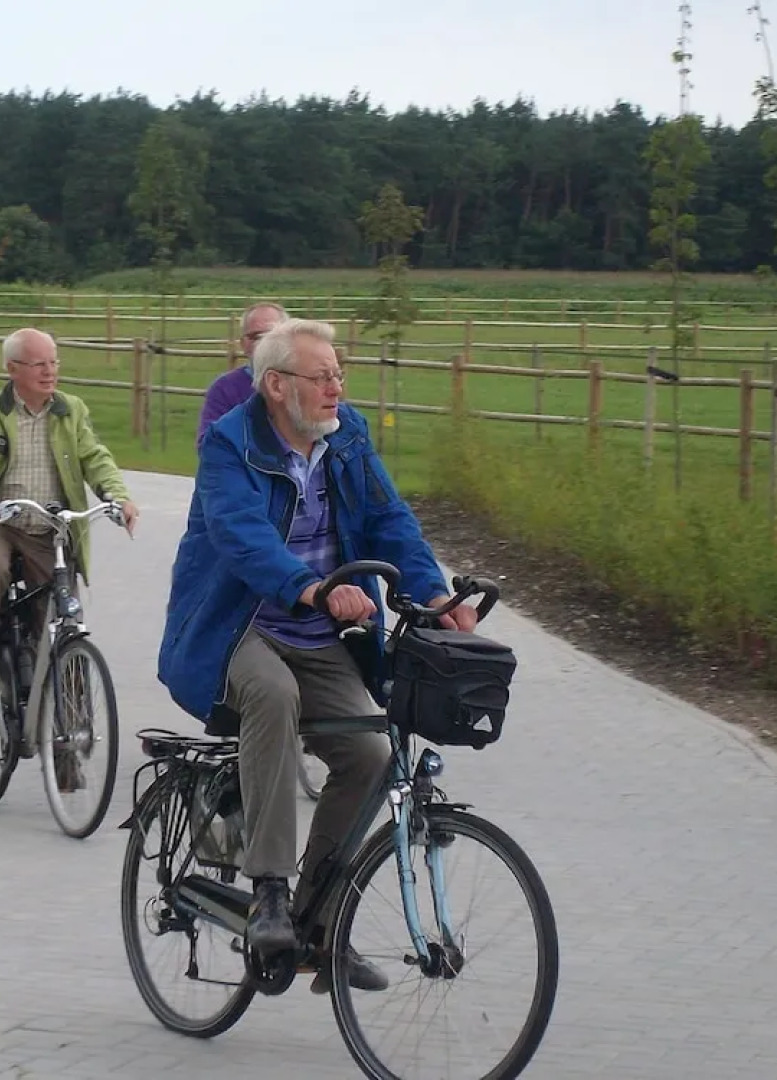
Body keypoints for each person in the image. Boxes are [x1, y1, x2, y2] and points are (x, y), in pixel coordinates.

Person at [158, 318, 478, 994]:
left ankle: (318, 926)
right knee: (273, 696)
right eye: (322, 375)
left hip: (319, 633)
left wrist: (435, 595)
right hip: (238, 628)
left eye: (338, 373)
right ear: (276, 386)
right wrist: (309, 588)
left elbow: (391, 520)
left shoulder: (346, 436)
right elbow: (242, 536)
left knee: (370, 756)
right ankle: (271, 891)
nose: (336, 386)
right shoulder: (230, 443)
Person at [0, 328, 139, 739]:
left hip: (51, 530)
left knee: (62, 623)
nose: (49, 371)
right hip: (1, 524)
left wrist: (117, 497)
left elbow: (95, 458)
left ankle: (73, 734)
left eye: (54, 362)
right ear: (12, 369)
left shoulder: (70, 410)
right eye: (39, 363)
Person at [195, 301, 288, 448]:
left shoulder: (307, 382)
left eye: (272, 334)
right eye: (256, 336)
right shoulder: (224, 389)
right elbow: (208, 445)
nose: (264, 342)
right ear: (243, 344)